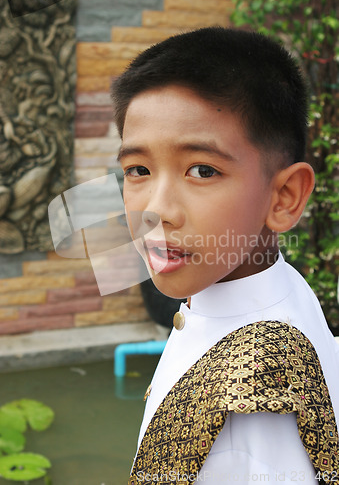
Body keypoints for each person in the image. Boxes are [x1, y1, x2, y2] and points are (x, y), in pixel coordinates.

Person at [111, 27, 339, 484]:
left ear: (284, 197)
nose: (156, 211)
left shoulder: (254, 402)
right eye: (138, 170)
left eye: (202, 170)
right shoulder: (277, 287)